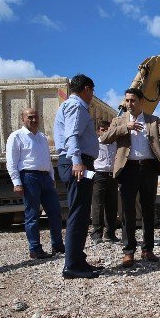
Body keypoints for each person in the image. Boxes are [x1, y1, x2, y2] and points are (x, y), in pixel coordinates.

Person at [100, 87, 160, 267]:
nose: (129, 104)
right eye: (127, 100)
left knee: (148, 209)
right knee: (127, 211)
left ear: (141, 101)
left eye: (132, 100)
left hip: (148, 168)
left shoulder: (153, 120)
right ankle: (129, 251)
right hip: (128, 169)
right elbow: (104, 138)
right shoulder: (119, 120)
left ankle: (148, 249)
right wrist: (125, 127)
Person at [54, 74, 101, 279]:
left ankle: (78, 259)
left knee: (82, 212)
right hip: (78, 162)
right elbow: (71, 135)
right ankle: (72, 265)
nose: (92, 96)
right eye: (92, 92)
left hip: (81, 162)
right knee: (78, 212)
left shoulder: (70, 105)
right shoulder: (77, 106)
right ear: (87, 89)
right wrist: (77, 161)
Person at [6, 108, 65, 259]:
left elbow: (47, 159)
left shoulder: (42, 137)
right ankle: (35, 249)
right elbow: (11, 162)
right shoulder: (16, 137)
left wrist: (52, 177)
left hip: (45, 178)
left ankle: (57, 245)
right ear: (23, 119)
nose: (34, 120)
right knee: (32, 215)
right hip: (29, 177)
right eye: (30, 117)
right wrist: (16, 182)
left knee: (55, 212)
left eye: (36, 117)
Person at [90, 120, 118, 244]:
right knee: (98, 205)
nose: (105, 132)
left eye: (107, 129)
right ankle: (97, 233)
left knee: (112, 205)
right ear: (98, 131)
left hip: (112, 176)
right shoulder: (95, 144)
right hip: (99, 175)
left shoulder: (115, 144)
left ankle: (110, 233)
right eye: (102, 129)